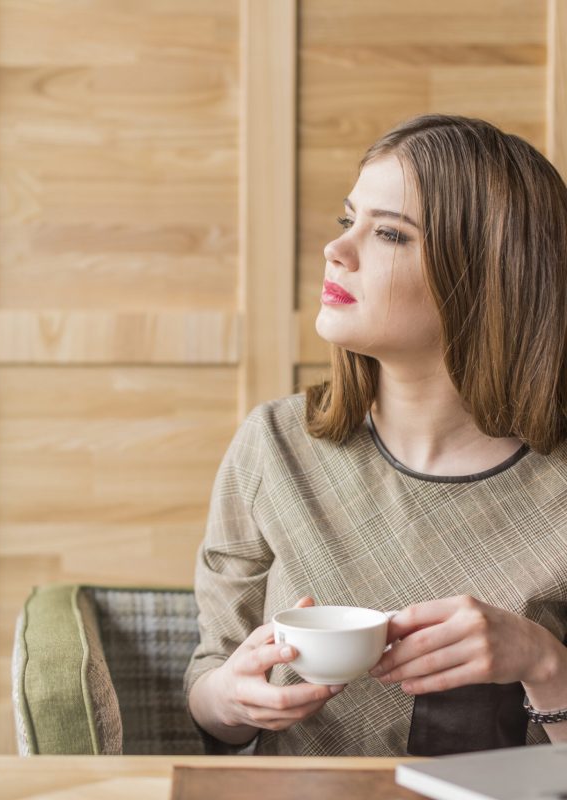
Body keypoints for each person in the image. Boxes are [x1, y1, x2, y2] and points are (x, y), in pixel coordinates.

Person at [184, 114, 567, 757]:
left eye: (388, 233)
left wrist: (545, 664)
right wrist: (231, 696)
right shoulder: (275, 446)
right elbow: (209, 690)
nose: (338, 249)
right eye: (348, 220)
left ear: (487, 275)